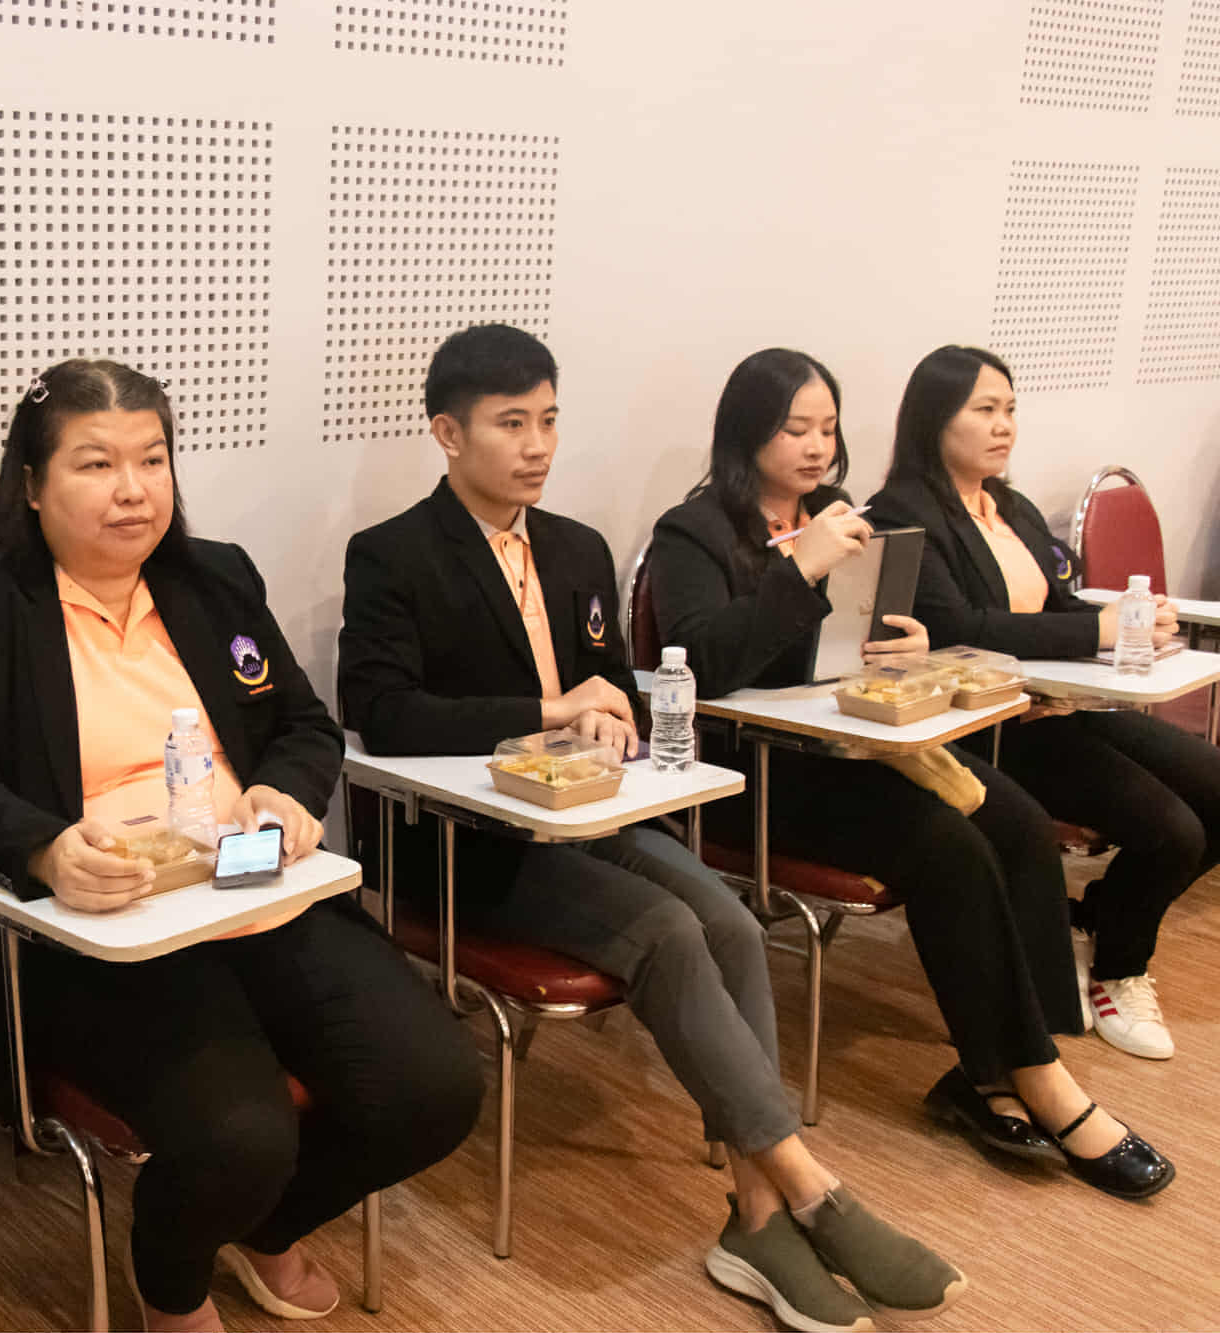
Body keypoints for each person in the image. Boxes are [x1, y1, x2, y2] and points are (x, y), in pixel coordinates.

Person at [342, 324, 962, 1333]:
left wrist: (611, 714)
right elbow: (381, 711)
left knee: (730, 922)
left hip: (585, 814)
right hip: (467, 844)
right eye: (510, 424)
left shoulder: (575, 547)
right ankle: (807, 1188)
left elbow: (616, 688)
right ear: (448, 434)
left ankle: (756, 1211)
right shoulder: (393, 553)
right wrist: (549, 710)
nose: (537, 446)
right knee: (668, 931)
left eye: (548, 421)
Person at [0, 359, 483, 1333]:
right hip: (104, 932)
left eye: (152, 459)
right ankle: (170, 1288)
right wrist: (45, 848)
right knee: (241, 1133)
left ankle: (257, 1227)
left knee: (434, 1087)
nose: (132, 488)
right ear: (32, 485)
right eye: (96, 463)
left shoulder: (215, 579)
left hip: (249, 892)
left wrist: (281, 789)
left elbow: (304, 725)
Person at [648, 348, 1173, 1204]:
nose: (817, 447)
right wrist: (800, 566)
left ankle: (1010, 1065)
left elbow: (864, 639)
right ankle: (1028, 1078)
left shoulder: (842, 515)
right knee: (947, 846)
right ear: (746, 433)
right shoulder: (694, 531)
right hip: (764, 773)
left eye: (827, 428)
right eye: (795, 429)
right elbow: (701, 661)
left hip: (858, 744)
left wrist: (910, 647)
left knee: (1015, 819)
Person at [869, 345, 1220, 1061]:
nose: (1004, 426)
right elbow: (959, 627)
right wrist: (1095, 630)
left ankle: (1094, 923)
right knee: (1173, 831)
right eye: (984, 410)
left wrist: (1132, 621)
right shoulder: (900, 515)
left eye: (1010, 409)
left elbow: (1055, 606)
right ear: (935, 418)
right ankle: (1120, 970)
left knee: (1216, 786)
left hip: (1066, 706)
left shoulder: (1011, 507)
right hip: (995, 728)